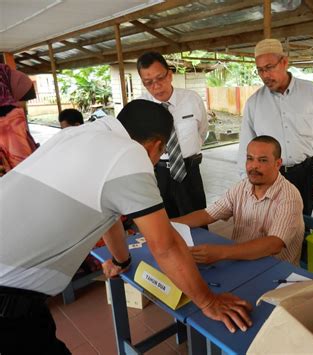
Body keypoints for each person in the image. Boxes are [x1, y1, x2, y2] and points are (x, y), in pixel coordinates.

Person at [0, 100, 251, 354]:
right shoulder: (129, 153)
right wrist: (208, 301)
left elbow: (107, 214)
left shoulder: (76, 134)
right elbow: (165, 245)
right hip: (8, 297)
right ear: (157, 146)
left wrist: (121, 260)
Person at [238, 38, 313, 216]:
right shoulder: (254, 103)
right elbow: (246, 145)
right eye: (260, 70)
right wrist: (247, 181)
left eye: (269, 68)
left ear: (284, 62)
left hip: (304, 174)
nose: (265, 75)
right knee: (270, 223)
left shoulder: (312, 93)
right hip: (269, 175)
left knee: (302, 222)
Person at [174, 135, 304, 266]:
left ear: (278, 164)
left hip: (275, 268)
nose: (254, 166)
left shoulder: (289, 197)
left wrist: (220, 253)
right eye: (250, 159)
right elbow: (208, 214)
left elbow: (274, 244)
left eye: (263, 160)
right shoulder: (242, 187)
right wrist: (169, 225)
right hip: (241, 259)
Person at [137, 51, 208, 218]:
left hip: (190, 172)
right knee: (165, 225)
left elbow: (202, 131)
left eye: (160, 78)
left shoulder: (192, 99)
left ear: (169, 74)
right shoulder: (140, 107)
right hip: (158, 174)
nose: (156, 86)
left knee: (197, 221)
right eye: (148, 82)